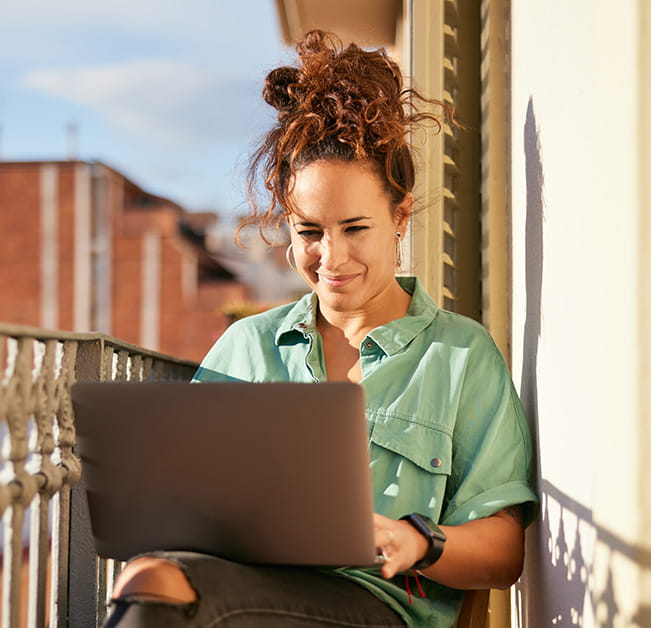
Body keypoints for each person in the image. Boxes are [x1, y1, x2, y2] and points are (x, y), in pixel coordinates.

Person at [103, 30, 537, 627]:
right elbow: (191, 501)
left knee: (158, 587)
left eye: (355, 228)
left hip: (378, 606)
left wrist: (418, 543)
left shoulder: (458, 355)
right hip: (248, 586)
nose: (330, 258)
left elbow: (503, 552)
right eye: (310, 232)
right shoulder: (246, 349)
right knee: (151, 575)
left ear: (399, 216)